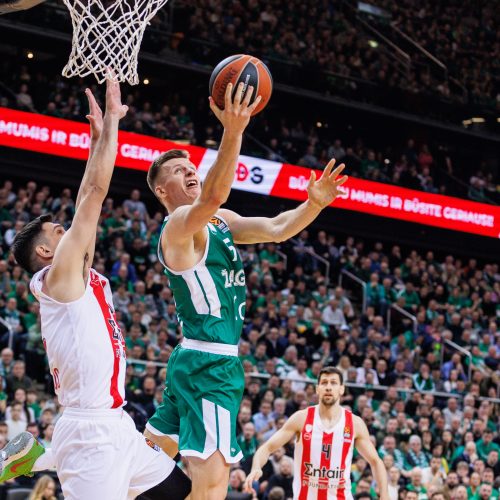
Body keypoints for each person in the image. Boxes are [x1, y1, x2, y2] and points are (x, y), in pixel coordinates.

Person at [143, 81, 348, 499]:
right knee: (214, 484)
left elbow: (276, 229)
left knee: (141, 463)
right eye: (179, 172)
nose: (190, 172)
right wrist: (233, 130)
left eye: (191, 167)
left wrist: (314, 205)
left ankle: (57, 459)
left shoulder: (219, 223)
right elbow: (215, 194)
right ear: (163, 191)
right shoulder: (178, 228)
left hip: (191, 359)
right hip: (210, 366)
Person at [1, 80, 191, 500]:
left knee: (183, 492)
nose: (67, 230)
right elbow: (93, 195)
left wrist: (98, 145)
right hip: (90, 434)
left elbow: (91, 194)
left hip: (116, 424)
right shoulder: (60, 277)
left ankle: (42, 456)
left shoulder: (74, 269)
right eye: (58, 230)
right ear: (48, 250)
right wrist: (110, 133)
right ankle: (48, 457)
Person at [243, 367, 389, 499]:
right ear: (317, 389)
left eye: (333, 383)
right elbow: (267, 447)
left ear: (342, 389)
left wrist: (385, 494)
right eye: (324, 383)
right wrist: (256, 467)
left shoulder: (354, 423)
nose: (328, 387)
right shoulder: (302, 418)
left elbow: (375, 461)